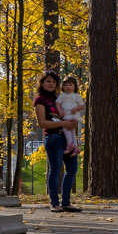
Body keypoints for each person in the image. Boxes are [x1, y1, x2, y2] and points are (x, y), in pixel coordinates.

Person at [33, 70, 81, 213]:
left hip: (68, 138)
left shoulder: (60, 97)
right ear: (42, 83)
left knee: (72, 169)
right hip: (53, 138)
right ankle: (55, 203)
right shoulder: (40, 99)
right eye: (48, 81)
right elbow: (42, 123)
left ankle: (66, 202)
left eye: (54, 81)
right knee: (55, 170)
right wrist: (62, 124)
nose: (51, 84)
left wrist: (73, 121)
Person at [56, 75, 84, 157]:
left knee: (66, 127)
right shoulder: (62, 95)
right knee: (72, 131)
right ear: (63, 86)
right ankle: (75, 147)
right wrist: (60, 110)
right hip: (66, 115)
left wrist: (76, 108)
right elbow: (57, 103)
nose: (68, 87)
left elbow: (82, 105)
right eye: (65, 85)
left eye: (70, 85)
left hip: (73, 115)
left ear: (75, 86)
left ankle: (69, 144)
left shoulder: (76, 95)